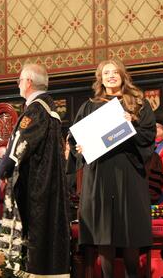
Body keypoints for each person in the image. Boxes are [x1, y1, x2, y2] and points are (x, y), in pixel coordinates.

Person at [67, 58, 156, 278]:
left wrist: (131, 124)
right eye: (106, 73)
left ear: (123, 76)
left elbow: (149, 137)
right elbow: (74, 138)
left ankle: (132, 275)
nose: (111, 76)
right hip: (100, 172)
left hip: (128, 171)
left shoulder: (138, 104)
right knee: (103, 230)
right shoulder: (89, 105)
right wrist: (78, 146)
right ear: (100, 78)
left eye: (115, 72)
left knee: (129, 228)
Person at [0, 63, 70, 277]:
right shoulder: (51, 110)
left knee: (35, 239)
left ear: (28, 82)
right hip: (50, 184)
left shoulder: (36, 109)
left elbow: (20, 143)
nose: (19, 84)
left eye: (19, 80)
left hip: (36, 187)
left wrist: (3, 169)